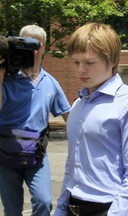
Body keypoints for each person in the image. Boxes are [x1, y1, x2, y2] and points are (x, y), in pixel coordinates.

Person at [54, 22, 128, 216]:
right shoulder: (78, 105)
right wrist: (61, 208)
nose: (81, 70)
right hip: (72, 206)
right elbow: (72, 163)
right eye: (75, 62)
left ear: (112, 61)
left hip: (108, 207)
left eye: (90, 63)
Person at [0, 25, 71, 216]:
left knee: (44, 201)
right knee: (12, 210)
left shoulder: (50, 81)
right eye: (28, 45)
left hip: (36, 154)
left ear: (45, 48)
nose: (34, 51)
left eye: (38, 45)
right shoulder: (6, 79)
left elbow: (69, 116)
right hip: (5, 153)